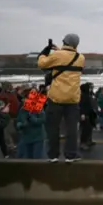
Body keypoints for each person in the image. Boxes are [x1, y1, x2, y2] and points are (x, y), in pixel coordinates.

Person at [37, 33, 85, 163]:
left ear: (65, 42)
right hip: (73, 99)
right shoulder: (80, 57)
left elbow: (41, 63)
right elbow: (67, 59)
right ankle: (71, 155)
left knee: (53, 128)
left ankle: (53, 155)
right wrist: (59, 50)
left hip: (56, 98)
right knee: (72, 128)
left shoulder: (57, 55)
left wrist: (45, 50)